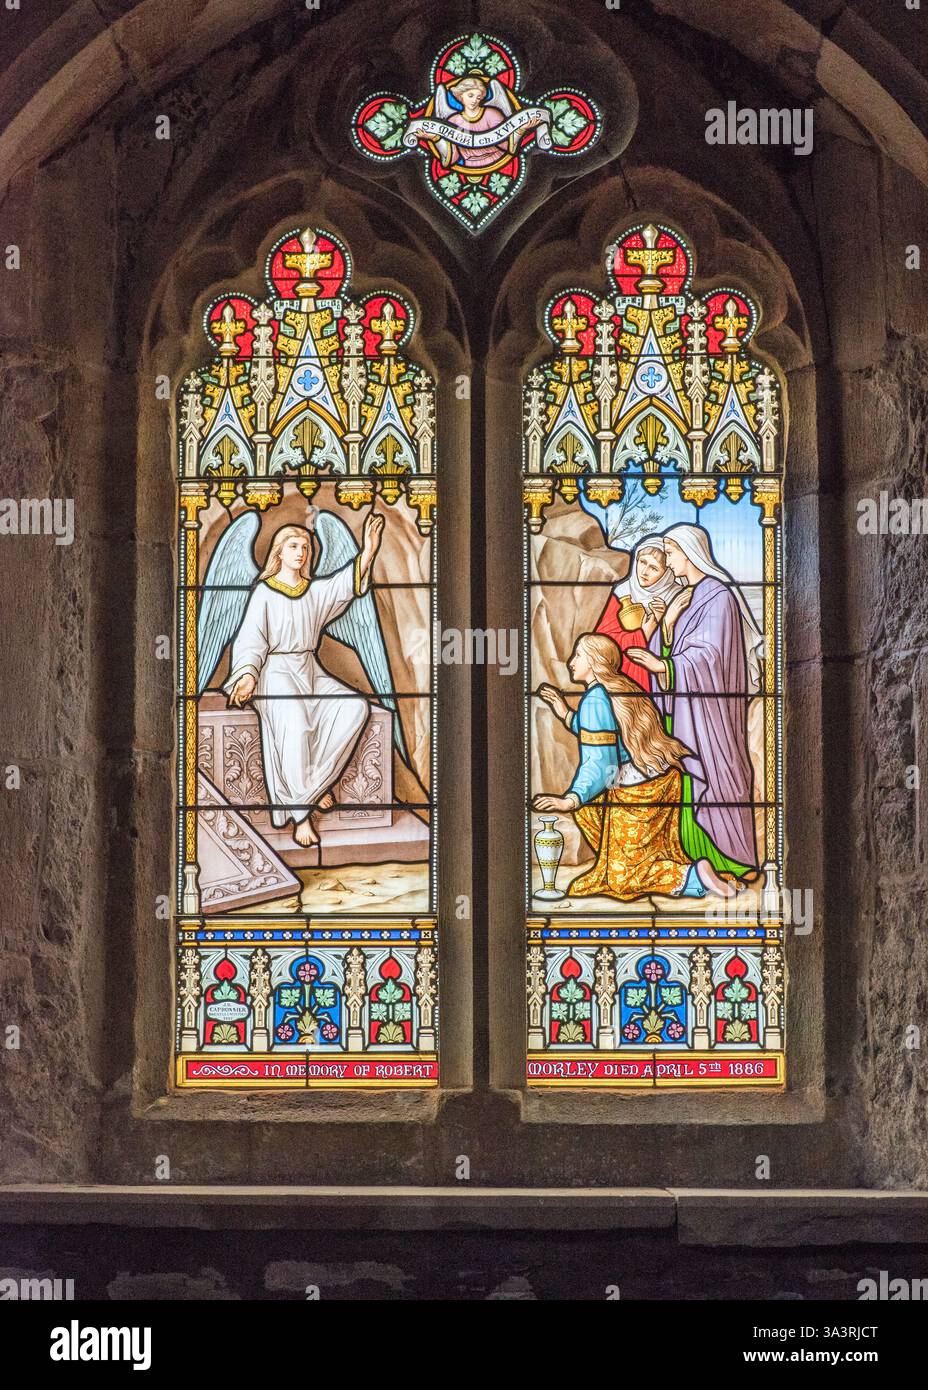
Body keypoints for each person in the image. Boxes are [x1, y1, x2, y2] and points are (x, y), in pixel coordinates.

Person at [225, 511, 384, 848]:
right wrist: (247, 675)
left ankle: (311, 787)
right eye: (294, 546)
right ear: (279, 552)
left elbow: (343, 586)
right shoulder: (265, 593)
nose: (301, 553)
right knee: (295, 729)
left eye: (306, 548)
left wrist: (368, 551)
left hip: (309, 669)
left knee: (353, 708)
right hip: (276, 673)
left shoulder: (313, 591)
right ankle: (301, 816)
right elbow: (251, 639)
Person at [630, 524, 763, 896]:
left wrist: (663, 666)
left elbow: (710, 657)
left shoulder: (718, 596)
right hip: (687, 711)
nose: (667, 558)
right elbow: (675, 648)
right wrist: (660, 628)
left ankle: (732, 861)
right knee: (690, 784)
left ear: (688, 553)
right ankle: (697, 865)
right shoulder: (686, 596)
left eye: (670, 552)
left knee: (718, 779)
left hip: (712, 715)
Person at [533, 633, 693, 901]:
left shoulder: (595, 700)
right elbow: (604, 734)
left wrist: (569, 800)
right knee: (594, 814)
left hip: (637, 794)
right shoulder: (619, 687)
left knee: (623, 880)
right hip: (661, 783)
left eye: (578, 655)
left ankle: (694, 877)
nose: (571, 662)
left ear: (595, 662)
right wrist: (565, 713)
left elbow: (601, 763)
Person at [594, 534, 685, 691]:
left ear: (667, 574)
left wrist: (664, 622)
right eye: (642, 562)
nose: (644, 571)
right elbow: (601, 642)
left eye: (654, 568)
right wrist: (642, 634)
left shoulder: (677, 597)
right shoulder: (621, 592)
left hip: (658, 683)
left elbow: (684, 647)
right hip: (621, 677)